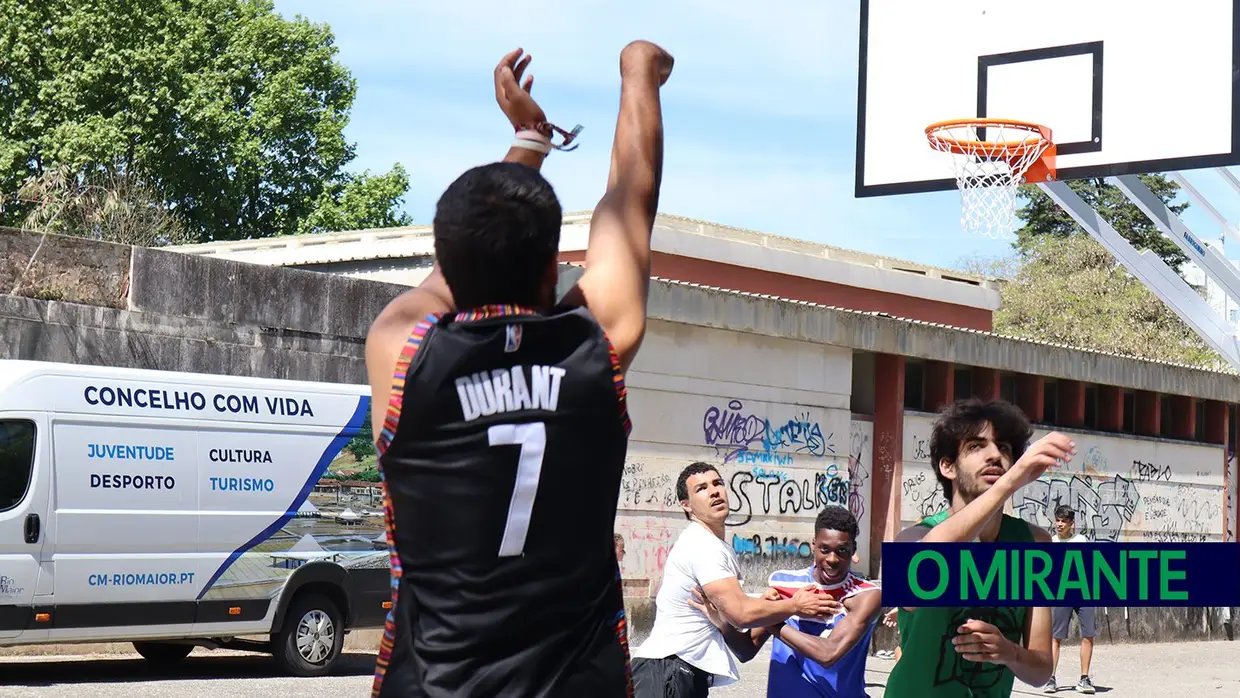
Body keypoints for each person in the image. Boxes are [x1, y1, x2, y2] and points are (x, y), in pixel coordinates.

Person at [365, 40, 675, 698]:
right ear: (550, 270)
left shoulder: (402, 352)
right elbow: (630, 196)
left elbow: (458, 264)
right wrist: (639, 72)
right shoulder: (596, 349)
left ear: (448, 258)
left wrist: (528, 141)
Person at [883, 398, 1076, 698]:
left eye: (1004, 448)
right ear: (947, 466)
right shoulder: (914, 537)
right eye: (976, 446)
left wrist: (1008, 652)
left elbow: (1040, 669)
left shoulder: (1034, 544)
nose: (995, 456)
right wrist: (1009, 484)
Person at [630, 462, 841, 697]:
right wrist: (795, 605)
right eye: (701, 488)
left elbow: (745, 648)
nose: (714, 491)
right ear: (686, 505)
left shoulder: (715, 546)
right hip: (667, 671)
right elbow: (741, 613)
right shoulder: (703, 545)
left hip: (678, 673)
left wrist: (766, 607)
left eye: (717, 483)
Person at [693, 505, 882, 698]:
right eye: (825, 549)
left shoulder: (866, 595)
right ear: (813, 545)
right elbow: (746, 650)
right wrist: (722, 622)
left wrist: (775, 616)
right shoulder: (785, 583)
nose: (832, 559)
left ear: (853, 551)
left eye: (842, 550)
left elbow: (828, 654)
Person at [1045, 505, 1096, 694]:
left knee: (1088, 634)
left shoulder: (1081, 541)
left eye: (1064, 521)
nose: (1059, 524)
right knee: (1056, 637)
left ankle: (1084, 679)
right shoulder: (1051, 542)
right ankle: (1050, 679)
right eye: (1057, 520)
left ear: (1071, 524)